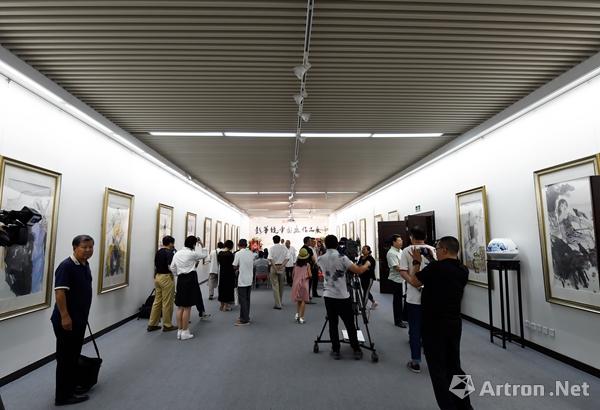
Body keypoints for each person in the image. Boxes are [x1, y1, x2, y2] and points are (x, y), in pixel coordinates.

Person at [403, 236, 472, 410]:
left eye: (438, 248)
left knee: (438, 371)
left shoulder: (435, 268)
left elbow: (415, 281)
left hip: (434, 325)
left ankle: (448, 407)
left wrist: (416, 262)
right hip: (454, 324)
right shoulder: (463, 270)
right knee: (455, 367)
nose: (437, 251)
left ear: (444, 250)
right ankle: (465, 406)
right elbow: (444, 272)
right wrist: (432, 259)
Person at [50, 235, 95, 406]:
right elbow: (60, 293)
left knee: (73, 356)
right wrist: (65, 316)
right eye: (84, 247)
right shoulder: (66, 266)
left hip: (79, 319)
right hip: (66, 321)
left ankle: (71, 386)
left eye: (91, 247)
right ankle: (63, 397)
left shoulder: (84, 264)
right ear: (75, 247)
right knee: (66, 358)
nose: (88, 250)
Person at [317, 235, 371, 360]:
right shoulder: (342, 258)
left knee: (332, 323)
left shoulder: (320, 258)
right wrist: (367, 264)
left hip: (328, 296)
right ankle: (356, 349)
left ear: (325, 245)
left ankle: (336, 350)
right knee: (349, 323)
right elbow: (358, 270)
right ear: (337, 244)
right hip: (342, 296)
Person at [399, 227, 436, 373]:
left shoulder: (407, 250)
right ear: (425, 237)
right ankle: (432, 357)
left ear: (411, 237)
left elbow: (402, 271)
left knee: (414, 329)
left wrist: (413, 282)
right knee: (431, 328)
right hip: (432, 296)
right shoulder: (433, 250)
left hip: (414, 297)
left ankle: (415, 361)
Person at [169, 236, 208, 340]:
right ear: (194, 244)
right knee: (187, 307)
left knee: (180, 306)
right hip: (190, 279)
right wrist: (202, 244)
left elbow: (172, 267)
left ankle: (180, 331)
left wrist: (177, 274)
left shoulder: (177, 253)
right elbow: (205, 255)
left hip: (181, 280)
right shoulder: (191, 254)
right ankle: (185, 332)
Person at [147, 235, 177, 332]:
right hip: (166, 278)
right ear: (170, 243)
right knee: (167, 302)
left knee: (157, 301)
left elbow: (156, 265)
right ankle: (167, 325)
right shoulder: (169, 253)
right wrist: (175, 273)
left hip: (158, 277)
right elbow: (170, 267)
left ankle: (152, 324)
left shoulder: (158, 252)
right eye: (173, 243)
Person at [232, 239, 257, 326]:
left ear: (238, 245)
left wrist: (238, 268)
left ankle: (244, 320)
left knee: (242, 300)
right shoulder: (251, 253)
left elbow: (234, 265)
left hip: (242, 279)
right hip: (249, 279)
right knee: (247, 299)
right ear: (246, 245)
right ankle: (245, 316)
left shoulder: (238, 253)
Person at [386, 234, 406, 328]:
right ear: (394, 242)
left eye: (401, 240)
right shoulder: (391, 253)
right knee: (397, 301)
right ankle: (398, 321)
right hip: (396, 280)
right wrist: (409, 270)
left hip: (403, 278)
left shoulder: (401, 251)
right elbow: (397, 267)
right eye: (399, 240)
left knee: (404, 299)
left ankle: (403, 317)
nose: (401, 242)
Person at [291, 248, 311, 323]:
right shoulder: (307, 265)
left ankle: (297, 315)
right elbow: (310, 275)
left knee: (298, 300)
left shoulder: (296, 265)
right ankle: (302, 318)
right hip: (304, 284)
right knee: (303, 301)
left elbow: (293, 275)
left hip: (296, 284)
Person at [268, 235, 288, 309]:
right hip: (282, 267)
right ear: (279, 240)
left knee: (275, 286)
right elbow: (287, 258)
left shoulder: (271, 248)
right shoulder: (284, 248)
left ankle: (278, 304)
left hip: (274, 267)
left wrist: (275, 267)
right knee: (281, 285)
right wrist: (282, 266)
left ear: (273, 240)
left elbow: (270, 259)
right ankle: (280, 301)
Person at [217, 240, 236, 312]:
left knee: (222, 288)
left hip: (222, 273)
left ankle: (221, 305)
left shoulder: (220, 253)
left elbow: (219, 262)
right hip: (229, 274)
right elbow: (233, 264)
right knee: (228, 289)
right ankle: (226, 306)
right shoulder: (230, 254)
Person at [357, 245, 377, 309]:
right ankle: (374, 302)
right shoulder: (361, 257)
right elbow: (358, 265)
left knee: (366, 292)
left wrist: (363, 267)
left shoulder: (370, 259)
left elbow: (368, 268)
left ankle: (363, 308)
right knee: (365, 290)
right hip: (362, 277)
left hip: (369, 277)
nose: (362, 250)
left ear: (368, 251)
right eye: (362, 249)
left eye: (364, 249)